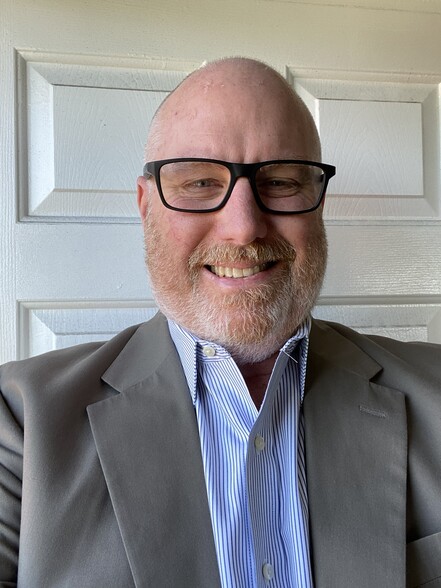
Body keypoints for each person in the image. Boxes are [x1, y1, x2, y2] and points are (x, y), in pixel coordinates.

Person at [1, 57, 440, 588]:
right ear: (145, 206)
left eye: (280, 181)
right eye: (200, 182)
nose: (243, 227)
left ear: (318, 204)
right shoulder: (18, 424)